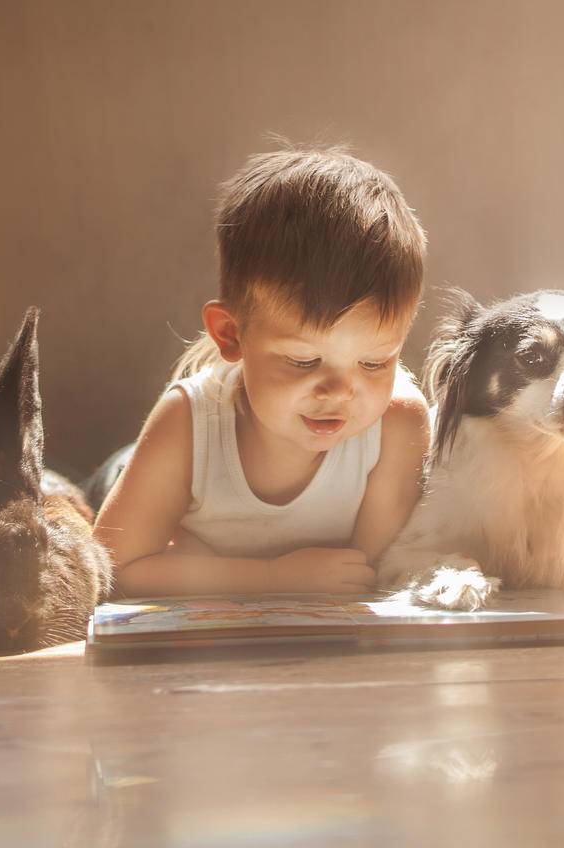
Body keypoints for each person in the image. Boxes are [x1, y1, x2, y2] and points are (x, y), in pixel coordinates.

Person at [95, 145, 429, 597]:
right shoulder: (187, 423)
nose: (340, 392)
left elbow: (368, 573)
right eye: (303, 361)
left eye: (374, 363)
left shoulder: (399, 424)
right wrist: (274, 578)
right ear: (231, 334)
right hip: (133, 470)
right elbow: (113, 568)